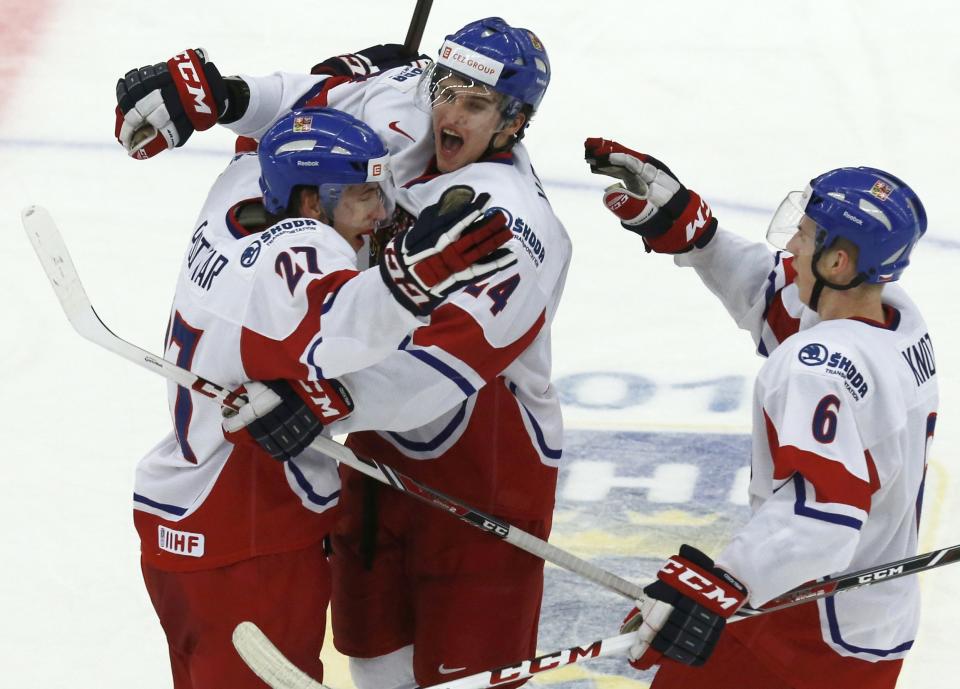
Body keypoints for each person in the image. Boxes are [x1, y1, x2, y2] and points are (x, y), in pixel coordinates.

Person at [115, 19, 571, 689]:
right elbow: (311, 102)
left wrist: (327, 397)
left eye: (474, 104)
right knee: (376, 666)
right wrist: (225, 95)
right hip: (368, 460)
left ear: (515, 122)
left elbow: (443, 368)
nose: (447, 110)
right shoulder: (409, 99)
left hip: (482, 477)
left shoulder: (518, 231)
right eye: (445, 89)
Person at [585, 138, 937, 689]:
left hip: (800, 624)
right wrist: (697, 235)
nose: (792, 245)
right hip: (869, 625)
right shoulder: (897, 320)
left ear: (838, 262)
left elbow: (825, 517)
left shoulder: (812, 368)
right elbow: (778, 296)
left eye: (806, 235)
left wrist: (722, 584)